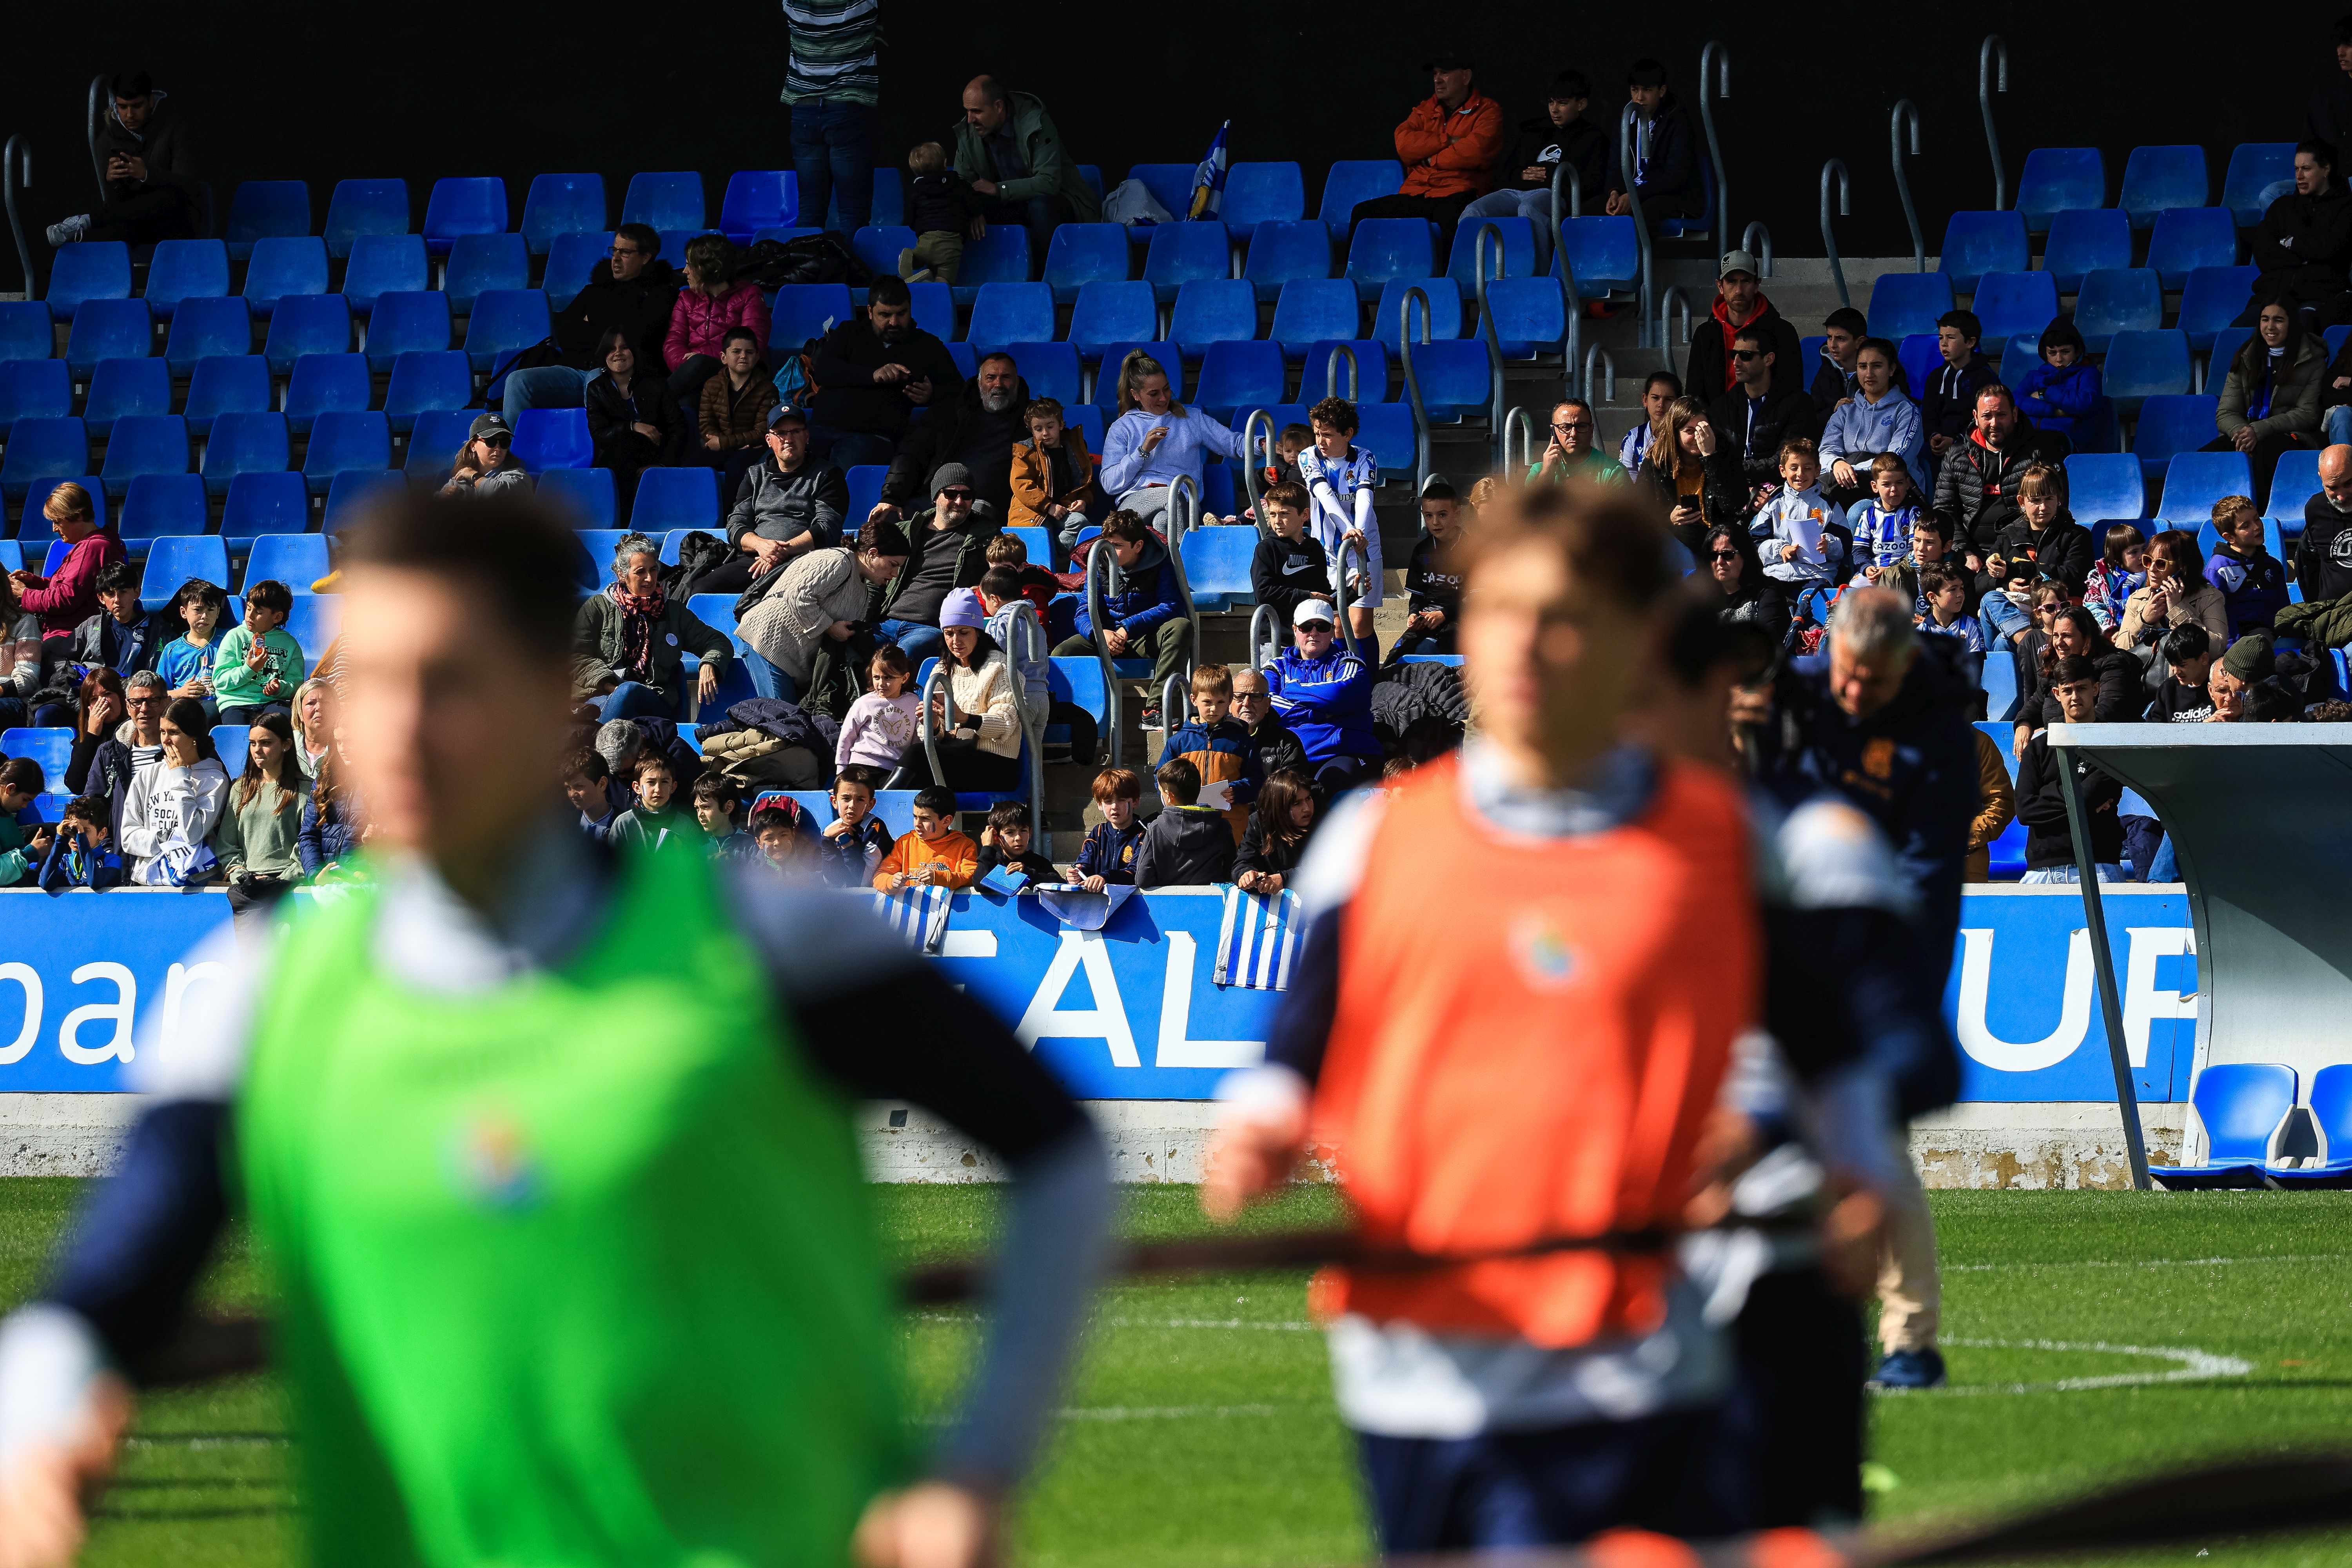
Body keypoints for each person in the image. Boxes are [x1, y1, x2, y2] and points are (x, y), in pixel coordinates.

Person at [0, 489, 1108, 1568]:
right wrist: (37, 1420)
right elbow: (109, 1282)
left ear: (551, 702)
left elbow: (1055, 1151)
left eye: (452, 681)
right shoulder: (264, 997)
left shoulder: (767, 947)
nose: (403, 727)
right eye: (370, 682)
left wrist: (979, 1466)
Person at [1203, 479, 1776, 1548]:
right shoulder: (1373, 838)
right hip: (1412, 1355)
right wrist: (1271, 1113)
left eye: (1562, 619)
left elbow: (1814, 1046)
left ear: (1629, 644)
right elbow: (1302, 1033)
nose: (1523, 645)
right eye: (1499, 613)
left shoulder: (1721, 841)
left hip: (1630, 1345)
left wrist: (1772, 1133)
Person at [508, 225, 683, 423]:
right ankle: (513, 449)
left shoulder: (663, 294)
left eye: (625, 252)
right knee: (518, 381)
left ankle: (594, 451)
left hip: (626, 375)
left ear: (645, 258)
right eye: (614, 250)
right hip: (576, 370)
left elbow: (640, 337)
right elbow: (563, 329)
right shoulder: (595, 290)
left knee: (596, 380)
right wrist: (612, 327)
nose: (616, 258)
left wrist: (591, 325)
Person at [737, 515, 910, 704]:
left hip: (791, 659)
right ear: (872, 554)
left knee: (787, 723)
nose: (895, 574)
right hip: (768, 643)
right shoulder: (838, 561)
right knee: (782, 722)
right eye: (894, 565)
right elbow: (799, 597)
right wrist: (830, 627)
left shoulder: (862, 591)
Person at [1345, 51, 1505, 249]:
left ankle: (1452, 278)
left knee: (1455, 217)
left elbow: (1476, 151)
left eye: (1444, 73)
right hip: (1417, 192)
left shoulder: (1488, 110)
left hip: (1460, 191)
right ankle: (1352, 275)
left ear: (1466, 77)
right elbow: (1404, 145)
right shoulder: (1425, 110)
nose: (1437, 80)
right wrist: (1448, 140)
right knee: (1362, 213)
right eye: (1435, 74)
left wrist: (1430, 160)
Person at [1053, 510, 1192, 726]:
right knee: (1063, 653)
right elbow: (1083, 612)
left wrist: (1129, 627)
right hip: (1107, 637)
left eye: (1117, 546)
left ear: (1138, 546)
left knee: (1181, 627)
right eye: (1106, 544)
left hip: (1144, 638)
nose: (1109, 551)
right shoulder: (1098, 564)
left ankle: (1155, 709)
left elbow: (1171, 606)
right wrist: (1101, 635)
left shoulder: (1161, 562)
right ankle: (1066, 721)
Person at [809, 274, 963, 470]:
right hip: (820, 429)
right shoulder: (849, 332)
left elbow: (960, 391)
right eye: (885, 315)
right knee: (773, 468)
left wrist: (932, 395)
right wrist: (873, 375)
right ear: (870, 312)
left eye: (902, 314)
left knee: (842, 479)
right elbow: (824, 371)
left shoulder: (927, 345)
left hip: (874, 438)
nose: (894, 322)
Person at [953, 75, 1102, 276]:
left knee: (1040, 205)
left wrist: (999, 189)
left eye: (977, 111)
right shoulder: (970, 131)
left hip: (1056, 204)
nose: (970, 119)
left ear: (999, 106)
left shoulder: (1035, 122)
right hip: (1011, 205)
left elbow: (1049, 182)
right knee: (958, 208)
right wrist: (974, 208)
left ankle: (1042, 283)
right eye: (967, 111)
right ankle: (945, 274)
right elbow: (961, 183)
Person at [1460, 69, 1608, 271]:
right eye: (1551, 103)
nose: (1555, 110)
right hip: (1516, 192)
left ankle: (1538, 275)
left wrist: (1555, 179)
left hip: (1553, 194)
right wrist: (1521, 175)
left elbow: (1594, 182)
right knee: (1473, 211)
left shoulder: (1592, 137)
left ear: (1581, 105)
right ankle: (1470, 273)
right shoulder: (1534, 132)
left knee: (1529, 208)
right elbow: (1504, 174)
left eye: (1562, 104)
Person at [572, 535, 730, 721]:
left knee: (629, 691)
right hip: (602, 694)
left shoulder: (673, 612)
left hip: (653, 698)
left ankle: (595, 745)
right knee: (619, 696)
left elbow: (718, 642)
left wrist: (709, 663)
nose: (649, 578)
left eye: (653, 570)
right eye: (640, 572)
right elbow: (576, 656)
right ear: (622, 575)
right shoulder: (597, 607)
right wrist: (610, 686)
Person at [701, 403, 849, 601]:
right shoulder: (755, 475)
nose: (788, 439)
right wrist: (762, 546)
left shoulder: (829, 475)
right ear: (769, 440)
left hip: (804, 561)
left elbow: (828, 527)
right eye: (780, 433)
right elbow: (736, 524)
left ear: (807, 436)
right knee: (702, 588)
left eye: (795, 431)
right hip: (756, 559)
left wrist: (780, 551)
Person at [44, 72, 199, 247]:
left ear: (151, 101)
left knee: (172, 196)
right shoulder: (107, 138)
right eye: (123, 107)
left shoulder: (177, 126)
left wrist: (147, 174)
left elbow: (189, 185)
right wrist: (112, 181)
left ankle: (86, 222)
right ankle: (80, 232)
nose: (129, 115)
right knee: (103, 236)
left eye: (137, 106)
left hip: (174, 221)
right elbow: (114, 204)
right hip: (132, 225)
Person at [1098, 351, 1248, 527]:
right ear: (1136, 395)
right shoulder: (1122, 427)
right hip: (1136, 503)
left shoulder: (1191, 419)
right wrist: (1143, 451)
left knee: (1164, 521)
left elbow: (1233, 444)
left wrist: (1264, 444)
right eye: (1154, 393)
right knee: (1172, 496)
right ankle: (1185, 554)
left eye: (1167, 389)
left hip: (1182, 501)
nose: (1163, 398)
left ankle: (1165, 553)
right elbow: (1110, 484)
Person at [879, 351, 1030, 521]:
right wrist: (892, 497)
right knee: (888, 518)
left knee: (976, 516)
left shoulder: (1032, 421)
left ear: (1017, 382)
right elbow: (911, 455)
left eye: (1006, 377)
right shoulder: (946, 414)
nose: (998, 384)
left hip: (988, 509)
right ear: (979, 383)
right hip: (936, 502)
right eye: (990, 378)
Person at [876, 464, 1000, 668]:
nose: (959, 502)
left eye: (967, 495)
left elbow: (1006, 573)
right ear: (935, 497)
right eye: (951, 494)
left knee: (901, 657)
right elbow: (871, 573)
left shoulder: (985, 536)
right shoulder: (906, 532)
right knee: (852, 645)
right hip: (885, 621)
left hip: (931, 627)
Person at [1933, 385, 2071, 569]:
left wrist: (2019, 553)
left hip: (2023, 551)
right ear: (1975, 417)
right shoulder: (1956, 456)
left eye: (2001, 415)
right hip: (1969, 553)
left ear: (2015, 414)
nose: (1994, 423)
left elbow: (2056, 504)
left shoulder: (2040, 452)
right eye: (1987, 416)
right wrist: (1964, 551)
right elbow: (1944, 510)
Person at [2014, 657, 2125, 882]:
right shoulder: (2037, 747)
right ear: (2057, 694)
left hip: (2098, 864)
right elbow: (2025, 810)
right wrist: (2083, 803)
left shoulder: (2112, 746)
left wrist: (2046, 794)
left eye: (2081, 688)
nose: (2075, 697)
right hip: (2041, 869)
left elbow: (2089, 796)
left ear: (2095, 689)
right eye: (2068, 691)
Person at [2206, 293, 2327, 499]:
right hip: (2247, 433)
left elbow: (2307, 414)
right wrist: (2244, 436)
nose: (2270, 327)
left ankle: (2259, 516)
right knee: (2206, 456)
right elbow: (2226, 412)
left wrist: (2259, 430)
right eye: (2265, 319)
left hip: (2290, 436)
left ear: (2292, 324)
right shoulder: (2246, 356)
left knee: (2266, 452)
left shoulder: (2312, 360)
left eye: (2278, 320)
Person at [900, 589, 1022, 793]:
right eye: (949, 633)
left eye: (964, 632)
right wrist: (934, 724)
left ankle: (875, 808)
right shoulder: (941, 669)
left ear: (977, 631)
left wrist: (965, 718)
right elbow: (928, 738)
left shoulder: (999, 667)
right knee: (910, 771)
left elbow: (1006, 724)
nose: (956, 641)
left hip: (995, 764)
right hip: (955, 757)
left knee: (917, 757)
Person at [1261, 597, 1380, 797]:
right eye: (1307, 626)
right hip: (1290, 755)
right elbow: (1268, 706)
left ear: (1333, 631)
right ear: (1295, 630)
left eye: (1322, 626)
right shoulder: (1276, 667)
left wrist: (1291, 689)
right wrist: (1321, 714)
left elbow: (1339, 695)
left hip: (1343, 752)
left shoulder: (1349, 663)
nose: (1314, 633)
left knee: (1328, 786)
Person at [782, 0, 882, 234]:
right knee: (852, 214)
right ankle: (849, 271)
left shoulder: (793, 4)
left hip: (804, 112)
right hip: (848, 114)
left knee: (809, 211)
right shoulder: (864, 3)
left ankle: (804, 270)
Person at [211, 711, 308, 937]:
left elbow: (308, 843)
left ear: (286, 745)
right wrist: (240, 875)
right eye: (253, 743)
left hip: (289, 891)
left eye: (266, 743)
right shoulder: (240, 788)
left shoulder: (304, 790)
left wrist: (286, 878)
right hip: (247, 891)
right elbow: (227, 844)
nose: (257, 750)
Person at [1299, 397, 1385, 644]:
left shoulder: (1364, 458)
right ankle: (1340, 677)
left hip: (1363, 548)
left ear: (1348, 434)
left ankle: (1367, 678)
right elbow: (1324, 494)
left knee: (1359, 624)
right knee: (1335, 624)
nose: (1320, 441)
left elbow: (1365, 497)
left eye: (1327, 435)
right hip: (1327, 552)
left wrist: (1357, 531)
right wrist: (1349, 530)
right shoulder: (1309, 457)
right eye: (1317, 433)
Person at [119, 695, 229, 886]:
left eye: (174, 732)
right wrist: (162, 840)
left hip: (196, 882)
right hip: (149, 881)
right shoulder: (148, 775)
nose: (166, 740)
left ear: (194, 737)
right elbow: (128, 837)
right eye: (162, 732)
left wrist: (180, 777)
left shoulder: (215, 779)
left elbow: (193, 834)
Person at [1707, 326, 1821, 503]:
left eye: (1745, 356)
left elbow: (1785, 460)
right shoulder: (1722, 405)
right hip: (1731, 490)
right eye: (1733, 355)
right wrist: (1741, 483)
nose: (1736, 362)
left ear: (1768, 359)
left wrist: (1736, 472)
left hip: (1779, 492)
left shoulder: (1797, 404)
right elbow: (1718, 457)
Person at [664, 234, 772, 416]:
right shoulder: (686, 298)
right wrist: (687, 363)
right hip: (695, 378)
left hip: (737, 375)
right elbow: (672, 343)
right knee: (685, 405)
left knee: (698, 365)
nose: (684, 271)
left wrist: (700, 359)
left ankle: (645, 409)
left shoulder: (749, 295)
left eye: (690, 265)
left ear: (708, 269)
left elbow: (753, 345)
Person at [2248, 140, 2352, 327]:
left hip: (2320, 294)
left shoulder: (2345, 209)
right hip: (2273, 293)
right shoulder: (2282, 206)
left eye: (2306, 169)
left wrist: (2290, 243)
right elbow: (2263, 251)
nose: (2299, 176)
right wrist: (2304, 260)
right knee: (2240, 328)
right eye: (2296, 169)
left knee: (2305, 323)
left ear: (2325, 170)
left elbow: (2330, 249)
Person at [1155, 662, 1261, 843]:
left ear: (1230, 701)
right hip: (1187, 825)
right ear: (1193, 699)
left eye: (1221, 702)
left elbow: (1258, 780)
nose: (1214, 709)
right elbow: (1160, 777)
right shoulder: (1179, 742)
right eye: (1207, 702)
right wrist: (1171, 797)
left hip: (1230, 827)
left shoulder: (1242, 741)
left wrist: (1239, 790)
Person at [10, 483, 123, 648]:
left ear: (78, 516)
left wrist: (24, 594)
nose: (54, 528)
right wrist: (34, 583)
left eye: (58, 521)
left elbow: (65, 599)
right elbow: (69, 588)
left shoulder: (92, 548)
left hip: (70, 639)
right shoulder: (93, 545)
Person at [583, 327, 684, 511]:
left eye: (624, 348)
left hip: (654, 452)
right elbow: (599, 434)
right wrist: (633, 426)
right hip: (619, 455)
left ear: (634, 352)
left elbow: (678, 428)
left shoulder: (656, 383)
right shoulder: (596, 389)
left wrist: (662, 465)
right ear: (604, 355)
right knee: (624, 448)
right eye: (612, 349)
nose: (618, 353)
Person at [1818, 338, 1924, 506]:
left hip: (1891, 490)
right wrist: (1837, 464)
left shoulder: (1906, 410)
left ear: (1891, 370)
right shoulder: (1846, 410)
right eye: (1862, 367)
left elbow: (1896, 459)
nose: (1869, 374)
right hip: (1846, 482)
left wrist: (1851, 470)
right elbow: (1826, 449)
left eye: (1877, 366)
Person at [1685, 252, 1803, 400]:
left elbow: (1792, 391)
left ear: (1757, 285)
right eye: (1732, 282)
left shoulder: (1783, 332)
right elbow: (1694, 395)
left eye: (1746, 281)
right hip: (1715, 420)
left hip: (1769, 419)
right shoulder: (1705, 334)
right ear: (1720, 286)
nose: (1739, 291)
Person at [1606, 57, 1702, 232]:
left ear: (1662, 91)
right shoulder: (1625, 121)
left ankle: (1636, 261)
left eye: (1647, 90)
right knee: (1587, 211)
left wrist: (1635, 196)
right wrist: (1615, 193)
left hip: (1670, 196)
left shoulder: (1677, 120)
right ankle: (1592, 260)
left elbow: (1676, 176)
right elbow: (1614, 166)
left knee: (1642, 213)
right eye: (1635, 90)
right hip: (1632, 193)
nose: (1640, 97)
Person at [1640, 397, 1740, 552]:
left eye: (1703, 430)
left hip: (1719, 543)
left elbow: (1732, 505)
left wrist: (1711, 458)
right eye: (1689, 431)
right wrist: (1668, 519)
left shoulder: (1725, 454)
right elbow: (1640, 512)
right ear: (1675, 432)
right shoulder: (1656, 463)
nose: (1698, 438)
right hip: (1675, 541)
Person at [1009, 396, 1105, 556]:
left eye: (1050, 426)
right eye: (1038, 429)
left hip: (1064, 508)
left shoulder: (1075, 449)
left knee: (1081, 524)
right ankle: (1050, 562)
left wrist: (1084, 501)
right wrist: (1048, 506)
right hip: (1035, 512)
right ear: (1032, 430)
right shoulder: (1025, 452)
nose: (1045, 433)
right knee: (1044, 533)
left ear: (1061, 424)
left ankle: (1058, 557)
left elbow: (1085, 482)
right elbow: (1021, 484)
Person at [1987, 463, 2096, 599]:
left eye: (2049, 498)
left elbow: (2075, 577)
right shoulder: (2007, 536)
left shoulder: (2077, 535)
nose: (2043, 507)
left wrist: (2020, 570)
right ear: (2022, 502)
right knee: (1991, 600)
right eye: (2036, 500)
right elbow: (1981, 581)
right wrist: (2007, 584)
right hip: (2015, 605)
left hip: (2058, 609)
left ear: (2059, 499)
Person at [2013, 318, 2114, 454]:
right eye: (2052, 353)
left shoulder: (2089, 374)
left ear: (2078, 352)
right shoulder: (2034, 376)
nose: (2059, 359)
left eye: (2065, 352)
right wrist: (2054, 411)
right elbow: (2016, 403)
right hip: (2031, 435)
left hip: (2068, 440)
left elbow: (2083, 403)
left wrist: (2045, 394)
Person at [697, 326, 781, 492]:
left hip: (752, 450)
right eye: (736, 351)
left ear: (757, 357)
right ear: (723, 357)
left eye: (750, 352)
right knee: (691, 466)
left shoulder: (767, 388)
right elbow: (706, 423)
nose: (743, 356)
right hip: (725, 446)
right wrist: (724, 443)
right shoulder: (711, 385)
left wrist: (723, 443)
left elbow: (761, 432)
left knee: (736, 469)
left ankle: (732, 516)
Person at [2117, 529, 2229, 651]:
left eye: (2161, 564)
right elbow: (2120, 650)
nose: (2152, 569)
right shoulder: (2137, 598)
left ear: (2183, 568)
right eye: (2148, 561)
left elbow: (2216, 649)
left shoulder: (2210, 597)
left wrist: (2178, 609)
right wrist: (2144, 620)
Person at [1133, 757, 1237, 887]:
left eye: (1160, 791)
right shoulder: (1222, 826)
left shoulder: (1156, 829)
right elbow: (1231, 872)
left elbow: (1142, 879)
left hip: (1167, 904)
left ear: (1169, 796)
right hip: (1211, 904)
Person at [210, 579, 304, 723]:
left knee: (282, 721)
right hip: (236, 702)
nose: (250, 616)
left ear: (277, 617)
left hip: (272, 702)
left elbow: (296, 683)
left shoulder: (290, 644)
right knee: (237, 733)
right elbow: (220, 681)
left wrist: (280, 688)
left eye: (259, 612)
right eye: (248, 609)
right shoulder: (235, 637)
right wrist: (249, 669)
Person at [2201, 497, 2292, 640]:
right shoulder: (2218, 569)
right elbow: (2217, 614)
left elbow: (2284, 610)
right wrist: (2231, 646)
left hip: (2269, 633)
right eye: (2246, 526)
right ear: (2230, 537)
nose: (2257, 527)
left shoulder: (2273, 566)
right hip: (2235, 638)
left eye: (2257, 519)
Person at [1395, 481, 1464, 658]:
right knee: (1395, 659)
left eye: (1442, 515)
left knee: (1430, 652)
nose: (1435, 522)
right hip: (1427, 620)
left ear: (1457, 514)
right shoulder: (1421, 550)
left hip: (1461, 621)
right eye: (1429, 516)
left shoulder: (1472, 549)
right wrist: (1413, 615)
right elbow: (1418, 595)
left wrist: (1444, 614)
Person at [1919, 311, 1998, 466]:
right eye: (1941, 338)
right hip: (1939, 445)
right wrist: (1933, 435)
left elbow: (1985, 418)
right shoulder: (1936, 377)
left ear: (1970, 342)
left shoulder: (1985, 377)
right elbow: (1929, 412)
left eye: (1951, 338)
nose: (1944, 344)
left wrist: (1957, 440)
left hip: (1972, 445)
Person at [899, 142, 980, 284]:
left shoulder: (914, 191)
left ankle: (913, 258)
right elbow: (975, 207)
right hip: (950, 244)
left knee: (922, 256)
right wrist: (976, 215)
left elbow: (909, 219)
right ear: (945, 163)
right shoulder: (960, 185)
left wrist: (918, 227)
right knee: (946, 278)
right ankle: (937, 284)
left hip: (926, 240)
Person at [874, 783, 982, 889]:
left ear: (946, 821)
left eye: (925, 819)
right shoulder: (905, 843)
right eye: (915, 817)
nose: (918, 824)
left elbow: (972, 878)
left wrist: (939, 878)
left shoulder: (965, 846)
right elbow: (880, 876)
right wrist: (891, 881)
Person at [837, 643, 922, 775]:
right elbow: (847, 738)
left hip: (894, 771)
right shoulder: (864, 703)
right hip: (862, 765)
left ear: (904, 678)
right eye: (877, 677)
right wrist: (841, 772)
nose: (881, 684)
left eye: (888, 678)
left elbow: (916, 742)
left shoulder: (914, 702)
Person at [297, 724, 366, 878]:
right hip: (329, 885)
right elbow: (309, 835)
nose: (342, 748)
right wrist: (315, 873)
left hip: (367, 884)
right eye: (338, 742)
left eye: (350, 741)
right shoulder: (324, 782)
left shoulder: (383, 786)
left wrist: (371, 872)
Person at [1233, 768, 1317, 896]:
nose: (1307, 808)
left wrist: (1284, 879)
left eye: (1309, 799)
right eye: (1297, 804)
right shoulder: (1259, 823)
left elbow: (1330, 869)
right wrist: (1247, 875)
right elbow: (1242, 862)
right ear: (1279, 807)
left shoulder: (1324, 821)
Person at [1848, 455, 1923, 589]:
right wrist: (1867, 568)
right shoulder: (1868, 515)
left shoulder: (1914, 513)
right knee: (1853, 590)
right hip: (1875, 570)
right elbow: (1859, 550)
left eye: (1899, 483)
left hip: (1905, 570)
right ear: (1875, 486)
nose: (1894, 489)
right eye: (1887, 484)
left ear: (1907, 483)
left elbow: (1916, 551)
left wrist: (1890, 569)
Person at [815, 766, 895, 886]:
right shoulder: (831, 830)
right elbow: (832, 883)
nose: (852, 805)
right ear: (834, 802)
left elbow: (861, 883)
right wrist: (827, 842)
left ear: (870, 804)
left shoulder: (875, 830)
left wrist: (849, 847)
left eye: (860, 800)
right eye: (846, 799)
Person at [155, 577, 228, 706]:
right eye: (198, 610)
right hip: (182, 707)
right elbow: (157, 694)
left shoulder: (229, 640)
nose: (205, 616)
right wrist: (180, 692)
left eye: (211, 610)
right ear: (184, 612)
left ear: (217, 613)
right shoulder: (172, 650)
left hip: (219, 705)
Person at [1230, 665, 1311, 782]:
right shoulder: (1216, 739)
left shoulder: (1287, 743)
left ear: (1268, 704)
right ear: (1229, 703)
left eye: (1256, 697)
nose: (1247, 703)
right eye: (1240, 696)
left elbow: (1292, 791)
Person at [1526, 397, 1629, 487]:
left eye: (1581, 426)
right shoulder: (1539, 470)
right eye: (1566, 427)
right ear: (1553, 431)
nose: (1574, 434)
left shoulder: (1614, 471)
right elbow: (1527, 508)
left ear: (1592, 430)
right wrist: (1547, 473)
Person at [1703, 524, 1786, 635]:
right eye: (1713, 556)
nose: (1719, 562)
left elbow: (1770, 639)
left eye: (1728, 555)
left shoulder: (1768, 589)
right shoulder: (1703, 598)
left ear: (1745, 555)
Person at [1074, 766, 1145, 890]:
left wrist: (1105, 877)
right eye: (1108, 801)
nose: (1114, 807)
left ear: (1135, 802)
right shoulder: (1098, 833)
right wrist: (1076, 875)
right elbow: (1084, 865)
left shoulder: (1145, 834)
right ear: (1099, 805)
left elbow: (1136, 873)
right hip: (1099, 904)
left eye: (1121, 800)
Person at [35, 795, 123, 893]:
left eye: (85, 830)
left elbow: (95, 882)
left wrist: (82, 839)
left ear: (102, 834)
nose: (75, 836)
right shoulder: (64, 861)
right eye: (72, 830)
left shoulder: (112, 860)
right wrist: (60, 841)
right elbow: (45, 883)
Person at [610, 750, 693, 853]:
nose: (658, 789)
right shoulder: (624, 824)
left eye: (664, 782)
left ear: (673, 787)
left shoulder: (685, 825)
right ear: (637, 788)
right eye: (651, 782)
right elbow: (612, 867)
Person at [1964, 721, 2016, 882]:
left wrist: (1967, 836)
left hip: (1965, 864)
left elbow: (2001, 801)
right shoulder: (1898, 743)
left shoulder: (1977, 742)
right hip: (1904, 866)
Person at [2299, 443, 2352, 599]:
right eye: (2332, 488)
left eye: (2348, 484)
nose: (2341, 497)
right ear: (2321, 479)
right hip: (2330, 613)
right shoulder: (2315, 509)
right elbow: (2309, 564)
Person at [441, 412, 533, 498]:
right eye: (491, 441)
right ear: (473, 446)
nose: (498, 448)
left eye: (504, 443)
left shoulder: (519, 476)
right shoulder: (462, 479)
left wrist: (474, 476)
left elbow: (496, 493)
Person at [974, 799, 1058, 889]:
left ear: (1030, 833)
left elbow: (1059, 884)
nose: (1018, 838)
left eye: (1023, 831)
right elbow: (980, 885)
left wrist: (1028, 873)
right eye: (1010, 832)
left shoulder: (1039, 863)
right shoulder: (992, 862)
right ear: (996, 837)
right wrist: (987, 847)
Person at [2147, 623, 2218, 722]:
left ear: (2204, 659)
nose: (2176, 671)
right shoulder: (2168, 690)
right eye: (2172, 664)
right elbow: (2154, 732)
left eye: (2183, 665)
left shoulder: (2221, 689)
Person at [0, 759, 53, 887]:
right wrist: (29, 853)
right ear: (11, 789)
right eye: (25, 800)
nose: (25, 806)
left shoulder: (6, 814)